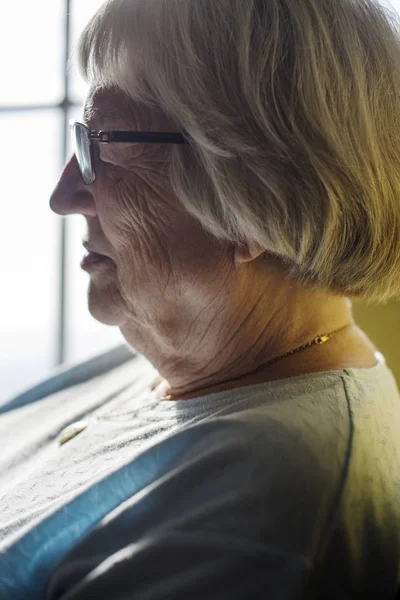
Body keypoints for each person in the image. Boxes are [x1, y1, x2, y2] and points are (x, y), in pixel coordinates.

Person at [1, 0, 400, 597]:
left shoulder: (259, 513)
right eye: (82, 137)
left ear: (258, 195)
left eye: (103, 143)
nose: (64, 196)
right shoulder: (170, 351)